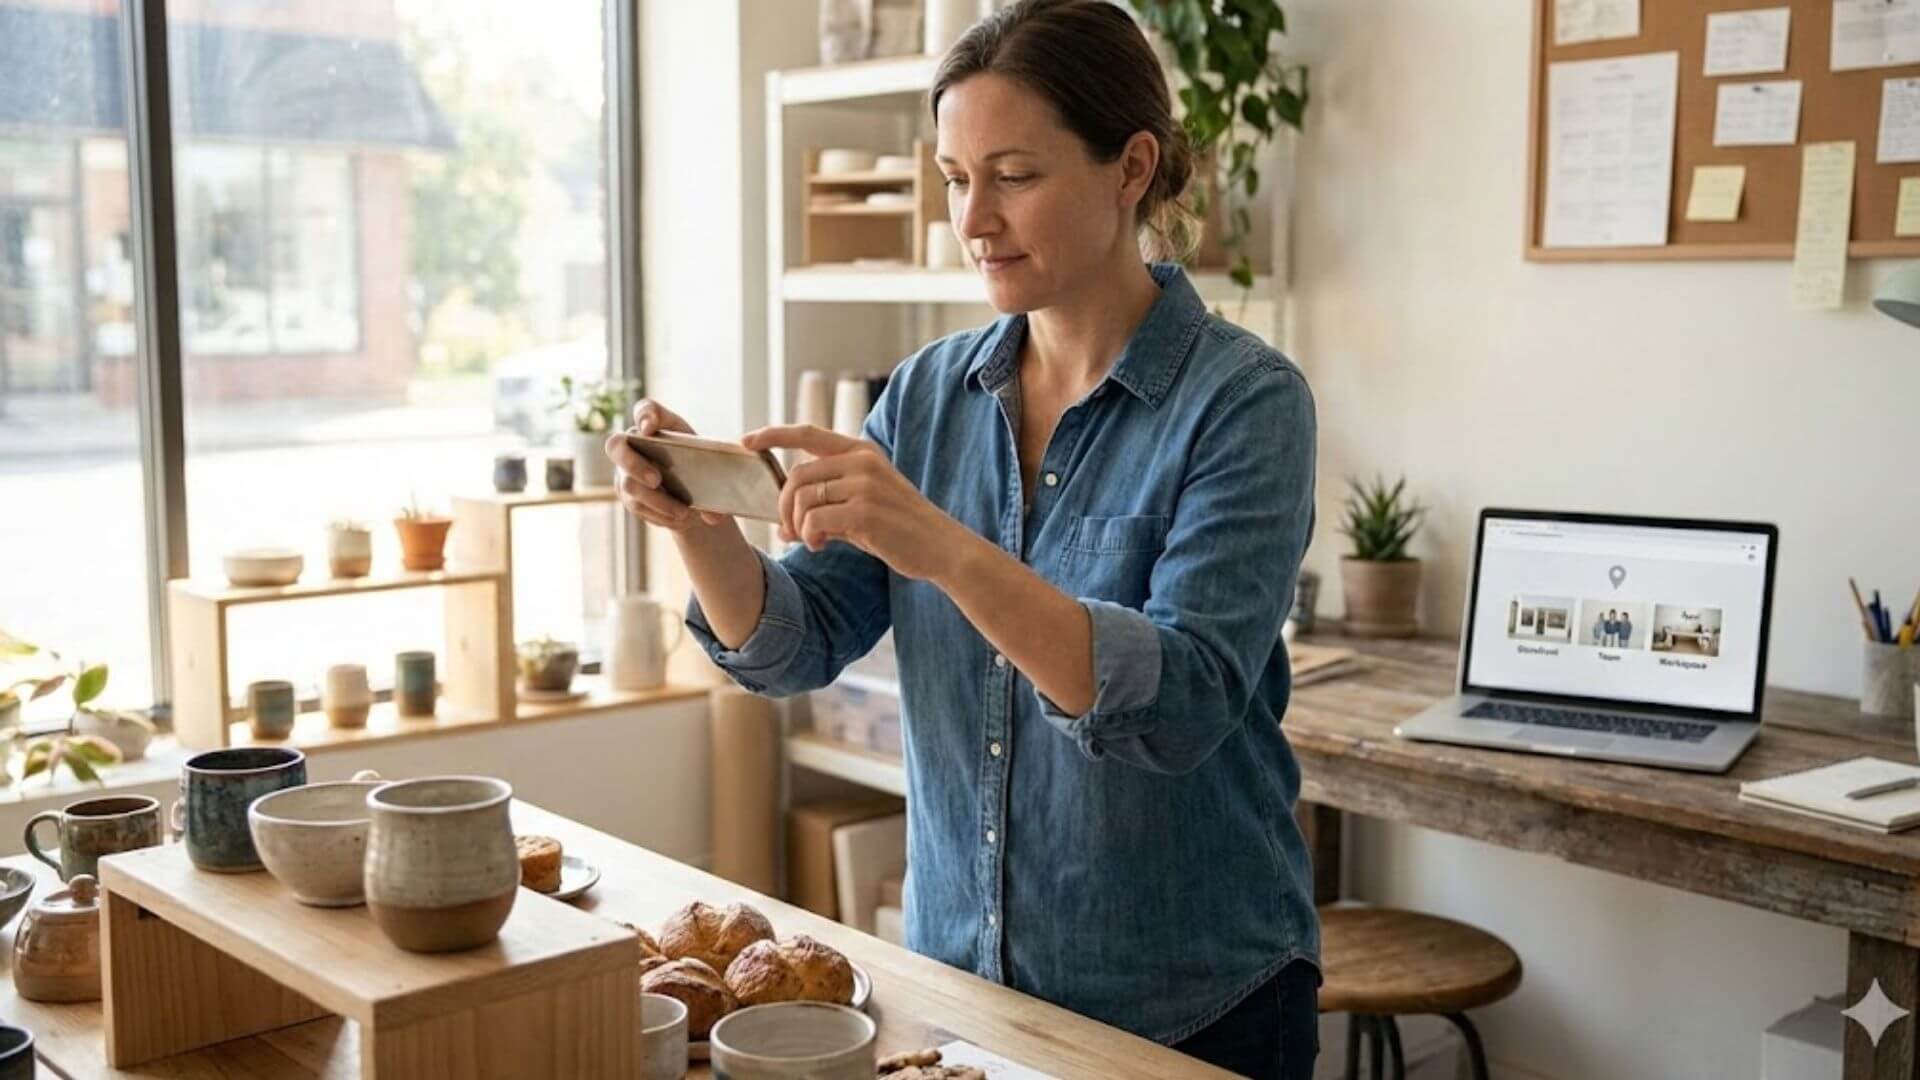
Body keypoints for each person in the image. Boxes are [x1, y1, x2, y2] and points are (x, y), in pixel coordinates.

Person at [606, 3, 1320, 1075]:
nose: (973, 218)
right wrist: (703, 526)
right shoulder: (928, 395)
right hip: (963, 998)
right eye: (953, 178)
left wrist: (943, 547)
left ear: (1132, 167)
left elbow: (1178, 706)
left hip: (1191, 1006)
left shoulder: (1246, 404)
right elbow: (797, 644)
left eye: (1014, 175)